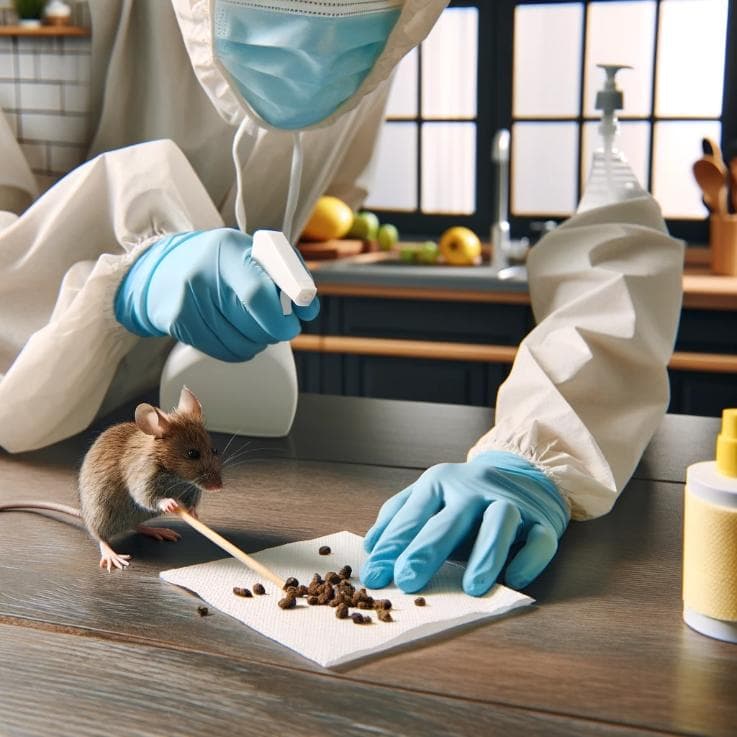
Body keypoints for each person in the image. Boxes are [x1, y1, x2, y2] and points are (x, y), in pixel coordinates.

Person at [0, 1, 684, 597]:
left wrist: (539, 451)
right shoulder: (61, 27)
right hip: (34, 418)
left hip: (189, 424)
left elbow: (616, 253)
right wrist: (128, 275)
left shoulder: (367, 51)